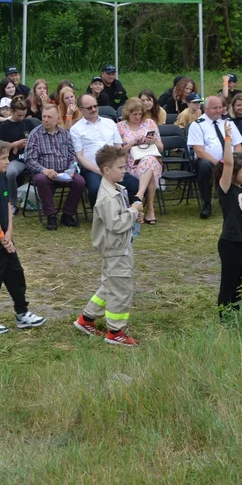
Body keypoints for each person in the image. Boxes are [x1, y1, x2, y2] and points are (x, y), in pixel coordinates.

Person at [0, 138, 46, 335]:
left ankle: (22, 313)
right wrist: (1, 238)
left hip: (5, 239)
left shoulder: (2, 178)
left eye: (8, 157)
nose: (7, 162)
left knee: (16, 274)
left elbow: (7, 206)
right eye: (3, 158)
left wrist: (9, 235)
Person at [72, 143, 144, 346]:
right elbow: (116, 223)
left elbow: (120, 218)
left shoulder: (116, 189)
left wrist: (132, 214)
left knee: (110, 284)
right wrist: (133, 212)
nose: (125, 171)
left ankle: (86, 320)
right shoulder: (106, 197)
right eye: (121, 168)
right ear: (106, 170)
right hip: (115, 249)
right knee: (120, 288)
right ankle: (115, 331)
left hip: (118, 246)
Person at [188, 95, 242, 219]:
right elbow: (199, 151)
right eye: (215, 108)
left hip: (232, 161)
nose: (219, 110)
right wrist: (220, 163)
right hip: (211, 162)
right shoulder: (197, 125)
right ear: (206, 109)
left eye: (220, 107)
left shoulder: (228, 122)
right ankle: (207, 204)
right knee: (203, 166)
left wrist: (235, 160)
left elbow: (238, 145)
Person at [215, 128, 242, 314]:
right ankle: (224, 316)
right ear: (233, 173)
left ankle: (235, 313)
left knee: (240, 283)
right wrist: (228, 138)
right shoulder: (226, 189)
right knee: (229, 282)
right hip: (230, 243)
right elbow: (228, 164)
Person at [70, 94, 143, 205]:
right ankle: (101, 217)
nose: (94, 109)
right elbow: (79, 156)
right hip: (92, 169)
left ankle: (128, 215)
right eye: (89, 108)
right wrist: (99, 171)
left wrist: (118, 166)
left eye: (95, 106)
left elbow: (118, 147)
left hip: (113, 167)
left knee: (135, 185)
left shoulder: (109, 123)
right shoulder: (76, 129)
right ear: (80, 110)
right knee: (95, 189)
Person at [24, 104, 85, 230]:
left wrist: (71, 169)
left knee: (80, 182)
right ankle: (51, 215)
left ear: (58, 119)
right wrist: (44, 170)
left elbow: (72, 155)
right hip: (44, 172)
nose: (45, 119)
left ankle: (67, 214)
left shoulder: (65, 134)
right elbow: (29, 160)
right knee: (41, 180)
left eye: (49, 117)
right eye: (44, 116)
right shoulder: (35, 135)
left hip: (64, 172)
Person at [117, 97, 163, 224]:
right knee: (150, 168)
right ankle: (150, 210)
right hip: (130, 163)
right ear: (128, 113)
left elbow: (161, 148)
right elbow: (119, 152)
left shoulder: (149, 123)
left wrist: (153, 141)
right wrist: (133, 142)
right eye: (134, 114)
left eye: (140, 114)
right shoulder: (120, 126)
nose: (138, 117)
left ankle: (140, 195)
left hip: (151, 158)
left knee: (150, 161)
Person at [0, 97, 32, 202]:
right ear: (12, 111)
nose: (21, 118)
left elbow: (37, 141)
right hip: (14, 159)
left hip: (30, 156)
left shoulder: (28, 123)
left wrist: (26, 144)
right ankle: (12, 202)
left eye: (23, 115)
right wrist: (12, 145)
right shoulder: (4, 126)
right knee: (10, 173)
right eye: (18, 115)